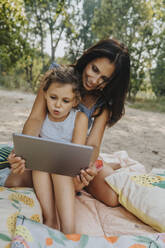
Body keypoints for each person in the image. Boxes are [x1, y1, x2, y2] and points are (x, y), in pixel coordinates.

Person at [8, 38, 130, 208]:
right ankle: (106, 164)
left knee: (111, 197)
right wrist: (23, 152)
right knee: (14, 182)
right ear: (88, 59)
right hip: (46, 150)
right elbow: (35, 118)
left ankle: (105, 164)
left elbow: (93, 144)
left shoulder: (103, 103)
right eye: (94, 69)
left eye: (104, 78)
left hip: (74, 156)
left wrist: (85, 169)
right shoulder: (56, 78)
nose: (94, 80)